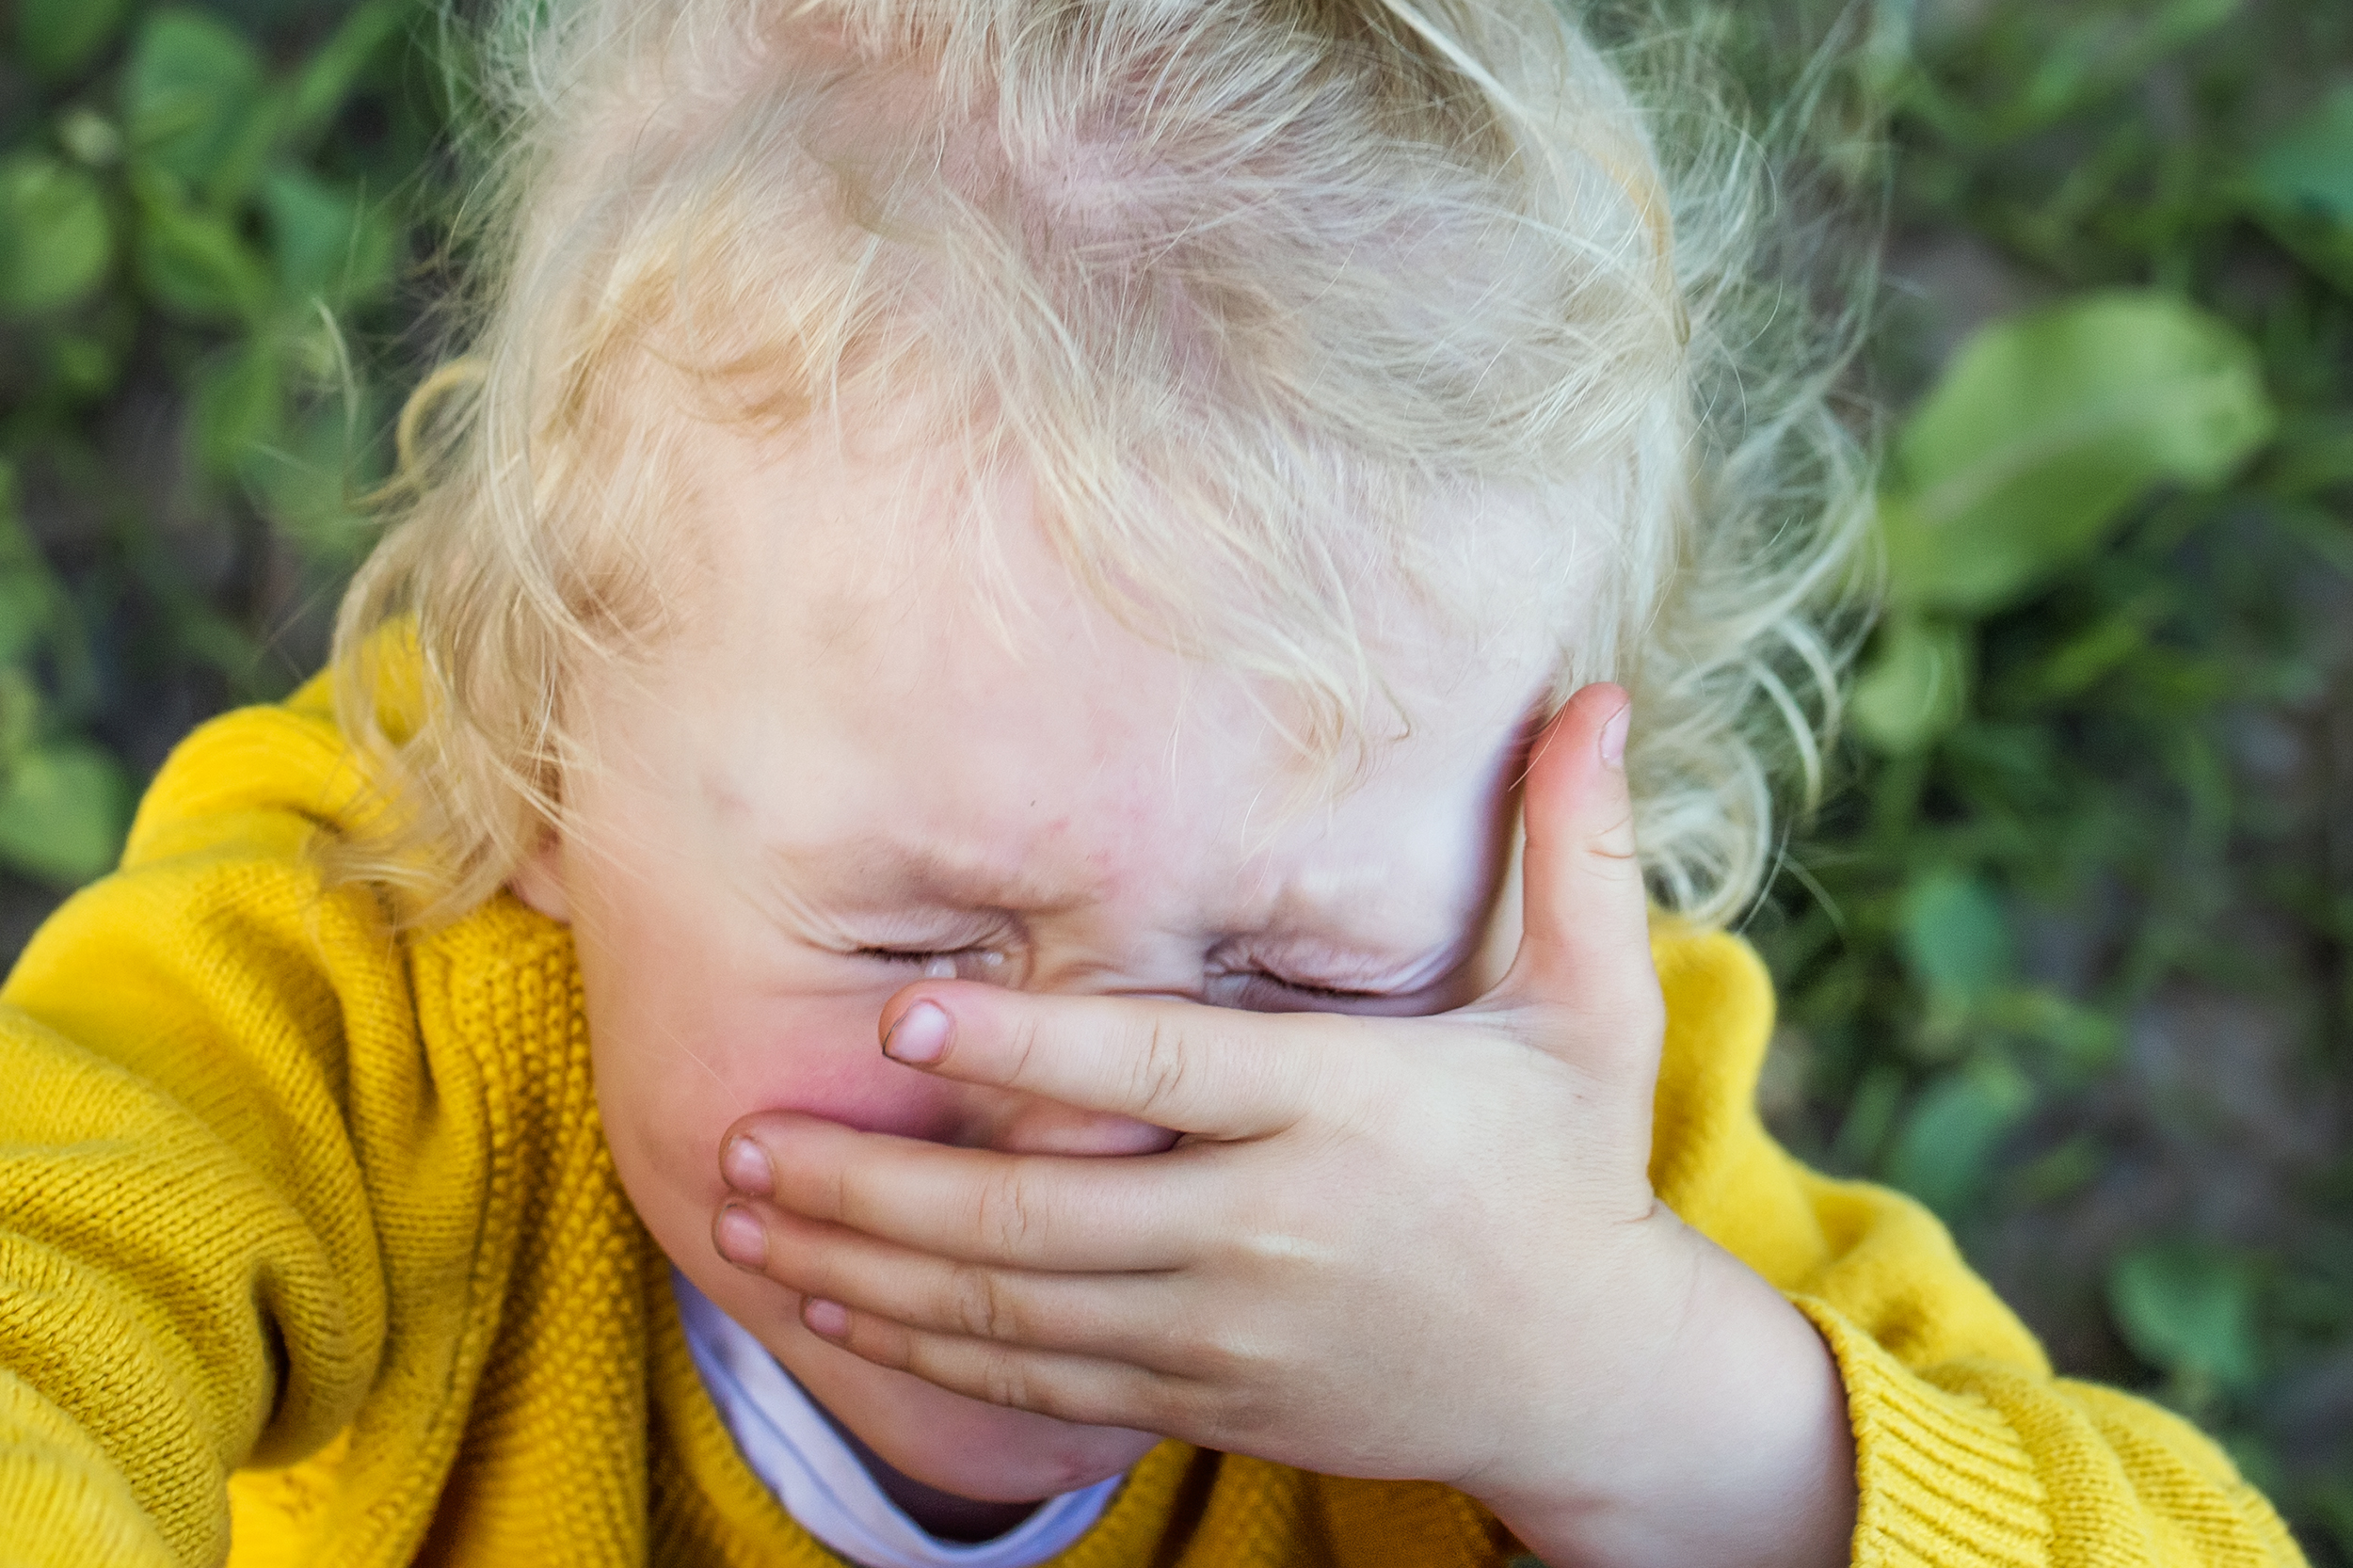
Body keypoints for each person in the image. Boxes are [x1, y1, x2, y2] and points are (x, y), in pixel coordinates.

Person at [0, 1, 2308, 1564]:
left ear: (1537, 877)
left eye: (1297, 964)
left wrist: (1622, 1389)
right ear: (530, 746)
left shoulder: (1570, 1173)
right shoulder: (344, 988)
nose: (1100, 1130)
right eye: (919, 941)